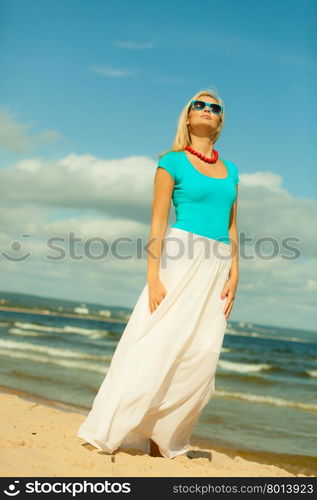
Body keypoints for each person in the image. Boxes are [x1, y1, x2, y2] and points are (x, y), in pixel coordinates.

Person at [77, 88, 240, 459]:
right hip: (181, 256)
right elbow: (157, 222)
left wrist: (235, 273)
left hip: (217, 266)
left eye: (214, 108)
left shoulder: (231, 171)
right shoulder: (171, 162)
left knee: (201, 354)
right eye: (198, 104)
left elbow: (232, 226)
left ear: (219, 122)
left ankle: (163, 438)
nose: (206, 110)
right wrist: (153, 276)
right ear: (187, 116)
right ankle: (109, 428)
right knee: (154, 344)